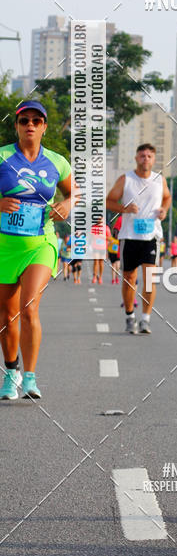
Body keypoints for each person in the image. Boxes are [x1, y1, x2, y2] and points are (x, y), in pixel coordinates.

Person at [0, 100, 75, 399]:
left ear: (44, 127)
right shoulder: (3, 156)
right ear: (17, 125)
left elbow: (73, 193)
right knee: (6, 316)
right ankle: (11, 373)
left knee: (29, 307)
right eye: (24, 120)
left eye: (36, 120)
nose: (29, 125)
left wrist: (68, 204)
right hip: (5, 246)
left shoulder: (57, 162)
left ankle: (29, 378)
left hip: (41, 244)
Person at [106, 143, 170, 334]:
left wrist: (164, 210)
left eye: (149, 156)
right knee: (129, 278)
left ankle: (145, 319)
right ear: (136, 158)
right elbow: (109, 201)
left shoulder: (160, 180)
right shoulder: (126, 179)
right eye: (142, 156)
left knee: (150, 279)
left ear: (154, 159)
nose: (146, 159)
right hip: (129, 237)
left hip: (151, 236)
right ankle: (129, 316)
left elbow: (166, 197)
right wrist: (124, 209)